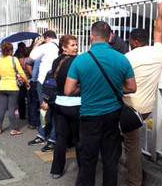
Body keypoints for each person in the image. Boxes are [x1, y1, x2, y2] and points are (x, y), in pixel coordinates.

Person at [64, 21, 137, 186]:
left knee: (88, 160)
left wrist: (85, 87)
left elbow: (68, 90)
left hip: (89, 117)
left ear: (91, 36)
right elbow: (132, 87)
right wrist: (118, 89)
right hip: (112, 116)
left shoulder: (80, 60)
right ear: (109, 37)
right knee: (111, 160)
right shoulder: (121, 59)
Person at [122, 0, 162, 186]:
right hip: (147, 108)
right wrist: (161, 12)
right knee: (130, 141)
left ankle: (135, 180)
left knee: (131, 145)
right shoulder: (158, 51)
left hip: (129, 107)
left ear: (133, 41)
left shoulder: (127, 58)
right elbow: (159, 32)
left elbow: (121, 84)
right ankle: (137, 172)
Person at [48, 35, 80, 179]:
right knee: (79, 139)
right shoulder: (76, 61)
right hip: (74, 103)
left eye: (76, 45)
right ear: (64, 47)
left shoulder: (56, 61)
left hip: (59, 103)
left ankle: (56, 169)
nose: (76, 47)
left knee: (61, 138)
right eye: (72, 45)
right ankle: (83, 169)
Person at [28, 31, 59, 152]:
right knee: (55, 111)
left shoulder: (47, 46)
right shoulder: (61, 45)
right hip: (57, 82)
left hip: (44, 82)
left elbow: (32, 57)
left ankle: (43, 135)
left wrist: (37, 44)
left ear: (46, 38)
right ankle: (51, 137)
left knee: (44, 109)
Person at [0, 42, 28, 136]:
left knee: (2, 107)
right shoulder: (14, 59)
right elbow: (21, 72)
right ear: (11, 50)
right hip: (13, 86)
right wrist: (26, 81)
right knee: (11, 109)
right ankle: (14, 129)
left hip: (2, 86)